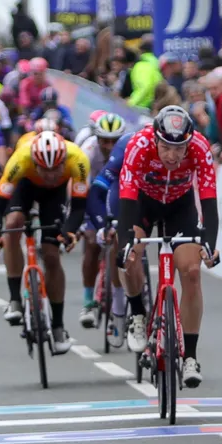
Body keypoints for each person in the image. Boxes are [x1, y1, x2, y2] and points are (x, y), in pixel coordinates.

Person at [116, 106, 221, 388]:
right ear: (155, 139)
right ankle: (137, 313)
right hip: (143, 203)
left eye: (179, 148)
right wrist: (125, 239)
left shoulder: (199, 146)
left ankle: (191, 356)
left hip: (180, 206)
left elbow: (209, 199)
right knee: (129, 257)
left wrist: (209, 241)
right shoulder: (139, 144)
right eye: (166, 148)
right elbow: (126, 193)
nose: (173, 156)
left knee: (191, 271)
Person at [0, 131, 90, 354]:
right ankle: (15, 299)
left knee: (52, 255)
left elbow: (80, 206)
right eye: (45, 169)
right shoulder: (20, 160)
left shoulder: (78, 159)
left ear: (64, 161)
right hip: (25, 186)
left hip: (55, 196)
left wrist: (69, 232)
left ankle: (58, 325)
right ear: (35, 162)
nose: (51, 174)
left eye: (56, 169)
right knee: (13, 223)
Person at [75, 113, 130, 330]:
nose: (109, 146)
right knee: (91, 244)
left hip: (120, 195)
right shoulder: (87, 152)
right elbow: (81, 190)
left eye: (114, 141)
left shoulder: (129, 149)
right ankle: (88, 301)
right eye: (104, 140)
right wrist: (84, 223)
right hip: (93, 196)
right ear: (96, 138)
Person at [85, 131, 137, 348]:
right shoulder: (123, 148)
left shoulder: (172, 152)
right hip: (122, 188)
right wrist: (102, 225)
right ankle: (117, 310)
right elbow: (95, 190)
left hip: (154, 192)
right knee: (117, 241)